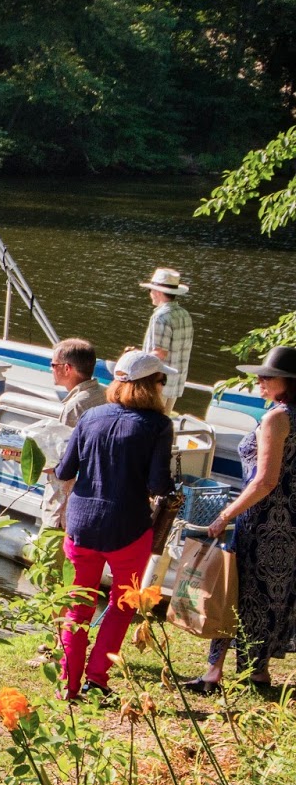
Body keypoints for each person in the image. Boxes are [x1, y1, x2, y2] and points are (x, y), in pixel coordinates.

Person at [53, 350, 175, 701]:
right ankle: (97, 679)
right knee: (122, 605)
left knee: (79, 605)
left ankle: (69, 682)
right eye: (161, 380)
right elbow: (157, 485)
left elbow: (64, 471)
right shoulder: (158, 426)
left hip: (82, 525)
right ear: (152, 385)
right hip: (128, 528)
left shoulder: (91, 416)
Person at [184, 346, 296, 694]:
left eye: (267, 376)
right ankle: (255, 673)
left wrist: (225, 514)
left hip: (261, 519)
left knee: (234, 590)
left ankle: (214, 675)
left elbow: (264, 480)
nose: (259, 381)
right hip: (290, 520)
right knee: (268, 594)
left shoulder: (277, 418)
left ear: (289, 382)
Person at [42, 338, 106, 530]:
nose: (50, 369)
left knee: (49, 551)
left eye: (53, 364)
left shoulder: (75, 406)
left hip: (66, 505)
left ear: (67, 368)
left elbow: (63, 459)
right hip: (93, 492)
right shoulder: (104, 394)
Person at [140, 267, 193, 412]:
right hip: (176, 382)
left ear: (157, 292)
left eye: (150, 290)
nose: (150, 294)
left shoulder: (160, 317)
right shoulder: (184, 314)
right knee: (163, 425)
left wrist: (135, 361)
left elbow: (159, 353)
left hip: (158, 384)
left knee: (151, 427)